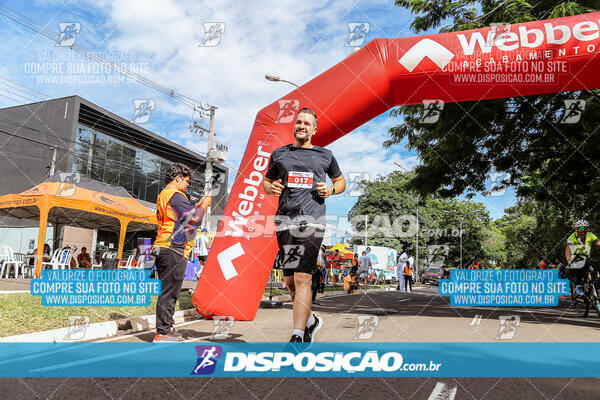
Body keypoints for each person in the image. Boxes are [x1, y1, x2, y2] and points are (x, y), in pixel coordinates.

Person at [263, 107, 346, 343]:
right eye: (299, 122)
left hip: (312, 221)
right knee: (289, 280)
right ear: (295, 126)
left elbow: (340, 182)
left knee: (302, 278)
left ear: (314, 129)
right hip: (285, 222)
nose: (302, 126)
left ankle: (298, 335)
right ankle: (311, 320)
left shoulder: (325, 155)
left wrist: (330, 190)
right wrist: (271, 188)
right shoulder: (280, 154)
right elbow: (266, 183)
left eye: (307, 123)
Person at [153, 163, 211, 343]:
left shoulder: (165, 196)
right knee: (169, 293)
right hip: (172, 249)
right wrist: (205, 206)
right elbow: (194, 218)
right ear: (177, 178)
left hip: (166, 247)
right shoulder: (175, 195)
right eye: (186, 181)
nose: (187, 185)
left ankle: (167, 328)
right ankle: (162, 332)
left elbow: (186, 221)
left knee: (171, 291)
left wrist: (198, 206)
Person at [565, 219, 600, 297]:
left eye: (585, 228)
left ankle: (593, 290)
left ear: (588, 229)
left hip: (587, 257)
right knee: (580, 267)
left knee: (593, 271)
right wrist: (569, 260)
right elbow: (568, 250)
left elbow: (598, 243)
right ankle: (578, 285)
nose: (583, 230)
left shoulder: (590, 235)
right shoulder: (572, 237)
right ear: (577, 229)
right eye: (581, 228)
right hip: (576, 257)